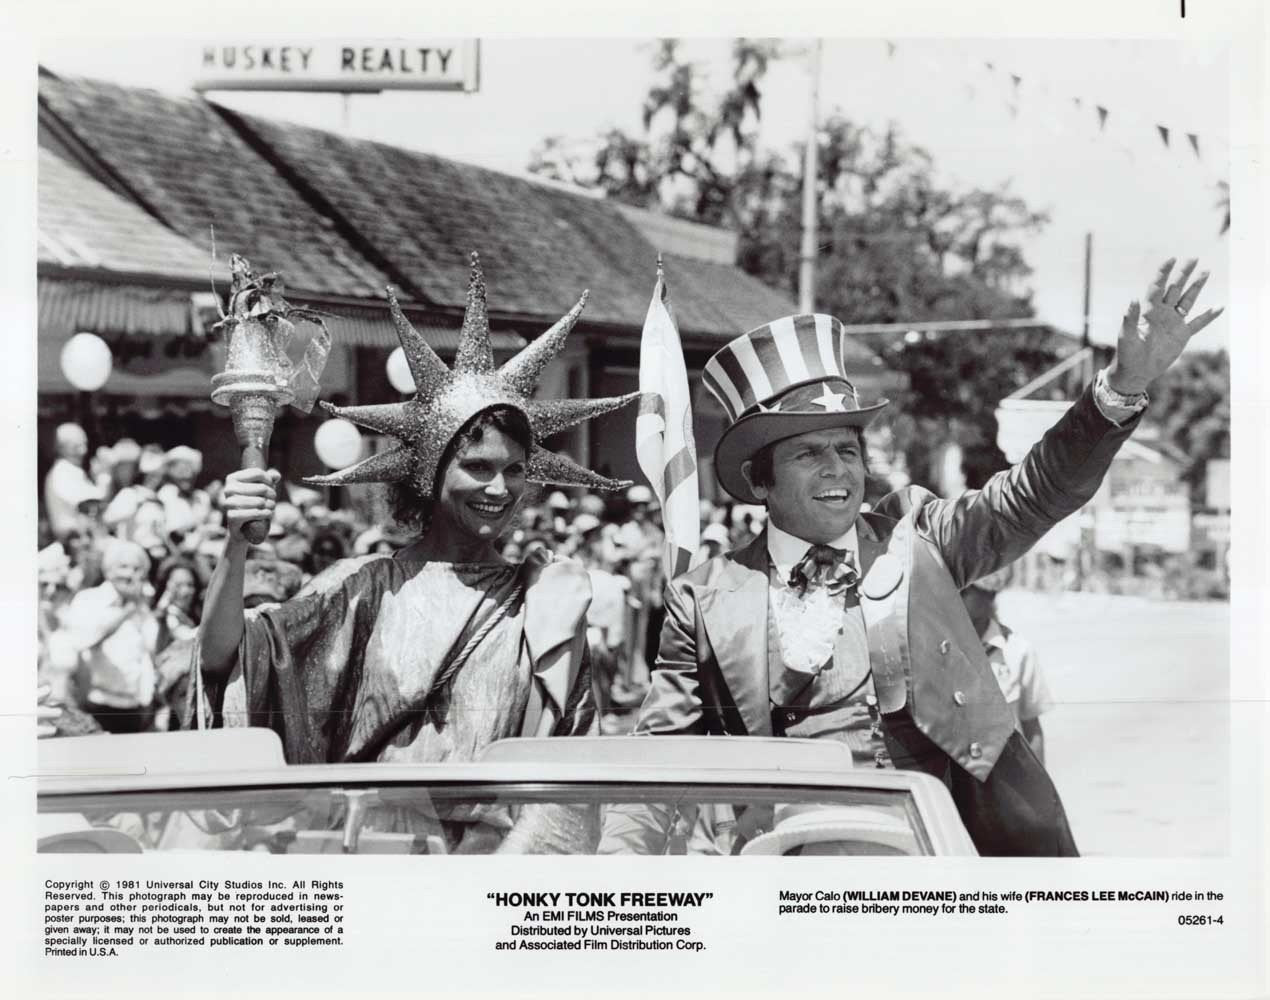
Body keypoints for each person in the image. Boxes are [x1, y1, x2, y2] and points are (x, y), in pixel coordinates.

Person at [604, 258, 1221, 857]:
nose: (838, 470)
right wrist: (611, 884)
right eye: (808, 453)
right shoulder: (707, 595)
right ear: (759, 481)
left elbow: (1031, 493)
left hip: (940, 862)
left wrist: (1120, 389)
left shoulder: (917, 536)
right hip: (784, 875)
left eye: (847, 449)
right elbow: (661, 756)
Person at [194, 256, 637, 852]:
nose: (499, 488)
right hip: (375, 870)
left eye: (514, 470)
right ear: (429, 473)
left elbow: (567, 786)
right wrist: (234, 545)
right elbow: (230, 663)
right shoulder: (364, 587)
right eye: (477, 467)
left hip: (497, 880)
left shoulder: (547, 604)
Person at [62, 539, 159, 734]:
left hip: (136, 709)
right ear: (108, 570)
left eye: (137, 569)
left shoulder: (143, 609)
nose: (130, 574)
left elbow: (150, 653)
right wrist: (126, 612)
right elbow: (82, 640)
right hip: (97, 705)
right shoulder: (89, 600)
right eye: (123, 566)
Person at [961, 568, 1051, 764]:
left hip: (1004, 775)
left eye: (967, 592)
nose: (957, 597)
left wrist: (1037, 789)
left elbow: (1031, 728)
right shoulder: (938, 648)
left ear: (990, 595)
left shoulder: (1017, 651)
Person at [44, 423, 94, 539]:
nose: (83, 451)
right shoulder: (63, 471)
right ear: (61, 448)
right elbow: (93, 504)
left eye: (84, 444)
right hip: (74, 541)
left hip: (82, 537)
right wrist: (105, 477)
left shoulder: (71, 470)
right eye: (76, 447)